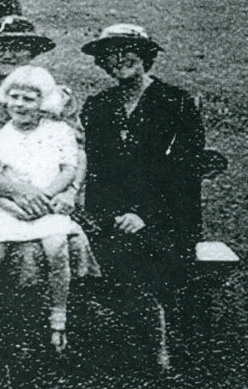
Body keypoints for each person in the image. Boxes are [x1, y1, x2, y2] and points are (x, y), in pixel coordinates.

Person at [0, 16, 98, 352]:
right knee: (3, 254)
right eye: (0, 46)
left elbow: (74, 150)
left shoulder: (53, 95)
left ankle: (58, 329)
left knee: (60, 245)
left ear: (32, 53)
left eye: (19, 46)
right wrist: (16, 194)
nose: (9, 53)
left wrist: (70, 192)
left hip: (51, 197)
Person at [79, 23, 206, 368]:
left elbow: (184, 174)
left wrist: (144, 214)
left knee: (145, 256)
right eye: (110, 55)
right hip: (112, 217)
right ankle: (125, 344)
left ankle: (159, 346)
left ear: (146, 55)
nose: (120, 60)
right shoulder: (98, 106)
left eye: (127, 51)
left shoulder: (176, 103)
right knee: (99, 252)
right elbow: (95, 173)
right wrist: (105, 216)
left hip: (167, 216)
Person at [0, 66, 89, 356]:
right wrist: (14, 206)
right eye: (14, 97)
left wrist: (45, 198)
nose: (20, 105)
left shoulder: (58, 132)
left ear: (44, 103)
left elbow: (69, 170)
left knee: (56, 247)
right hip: (7, 208)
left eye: (29, 99)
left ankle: (57, 321)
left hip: (47, 204)